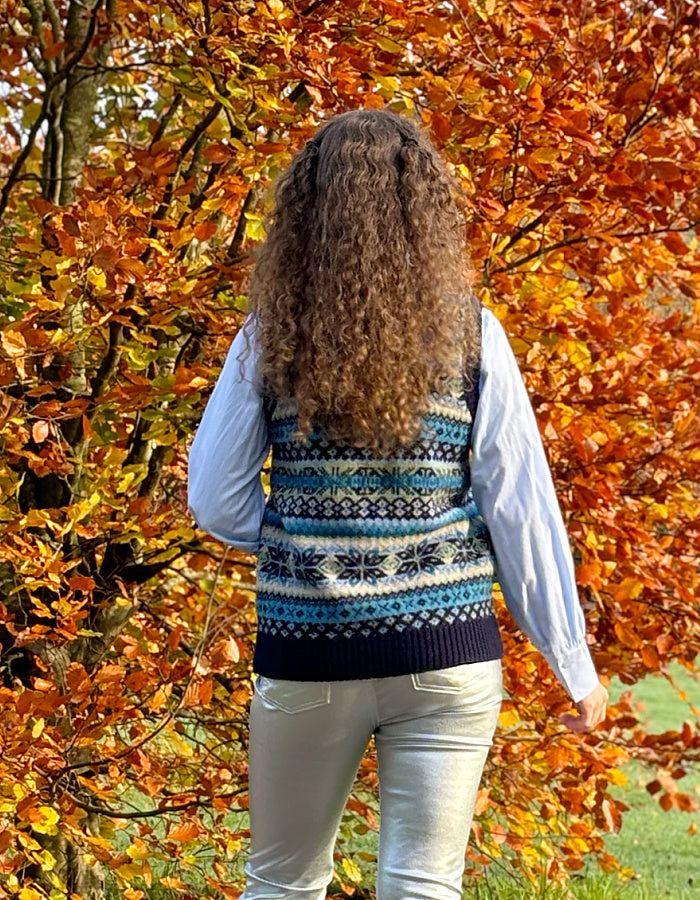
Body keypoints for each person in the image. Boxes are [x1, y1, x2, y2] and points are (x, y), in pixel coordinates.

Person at [187, 107, 608, 900]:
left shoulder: (269, 335)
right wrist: (572, 662)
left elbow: (214, 500)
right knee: (423, 886)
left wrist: (297, 540)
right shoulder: (475, 336)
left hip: (309, 646)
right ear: (427, 212)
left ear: (304, 211)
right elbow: (520, 508)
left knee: (281, 884)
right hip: (446, 650)